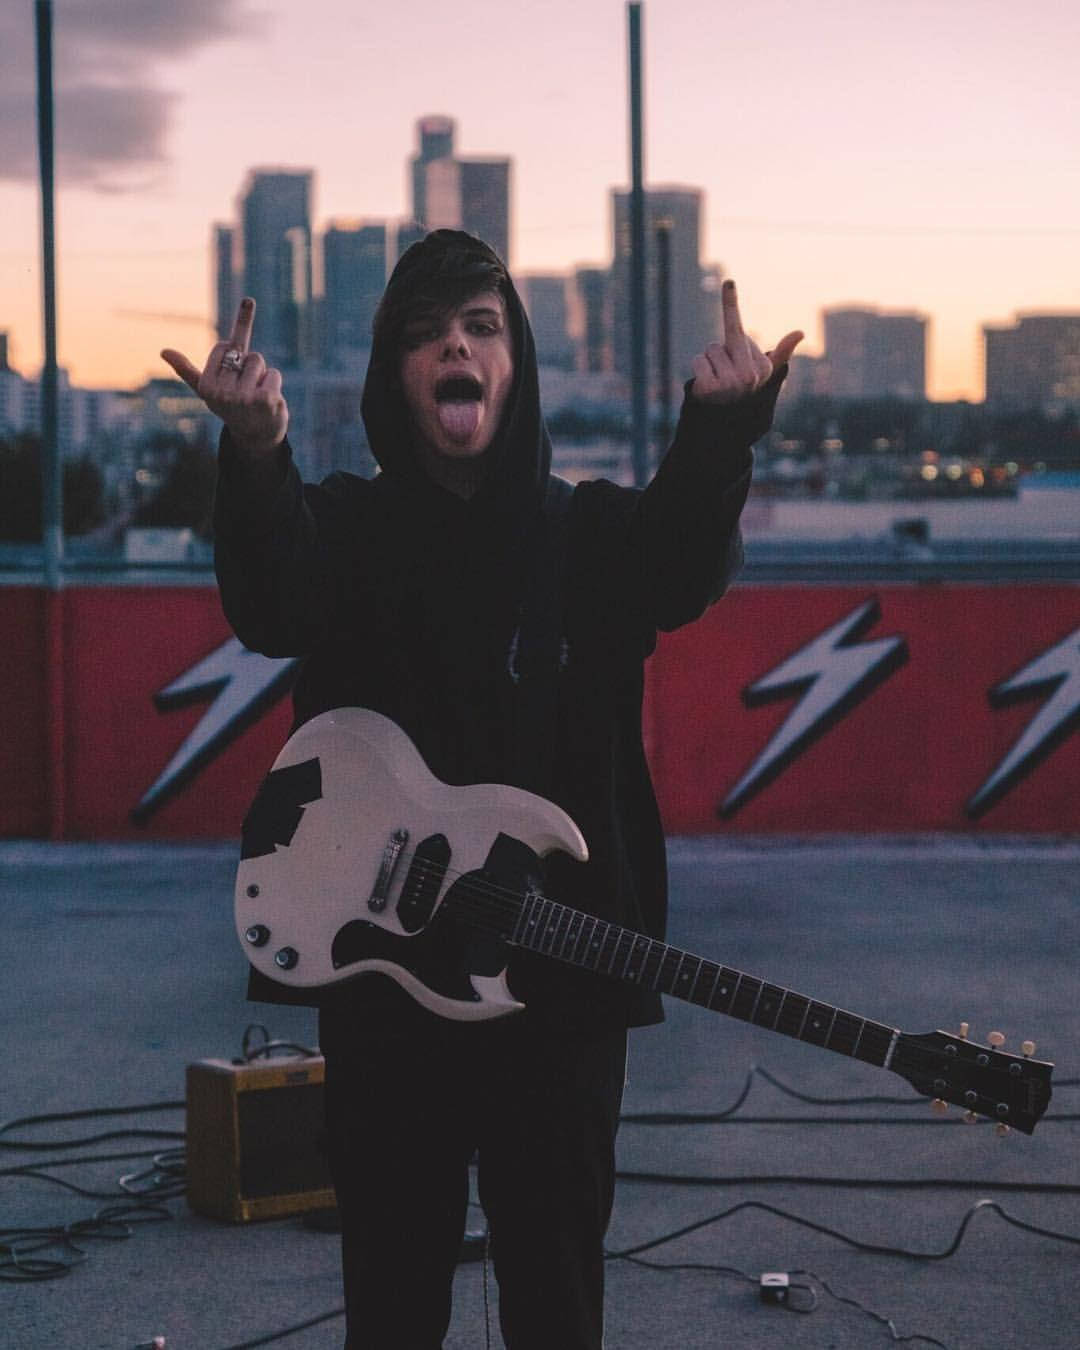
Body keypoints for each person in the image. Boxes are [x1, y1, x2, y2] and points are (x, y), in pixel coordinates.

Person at [162, 228, 802, 1350]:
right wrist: (256, 451)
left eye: (478, 327)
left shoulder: (592, 534)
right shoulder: (347, 531)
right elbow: (269, 605)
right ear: (392, 374)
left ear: (516, 362)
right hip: (382, 986)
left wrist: (719, 430)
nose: (452, 347)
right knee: (394, 1294)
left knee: (555, 1294)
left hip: (557, 987)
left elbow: (682, 566)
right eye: (423, 335)